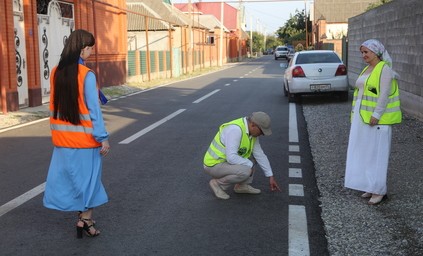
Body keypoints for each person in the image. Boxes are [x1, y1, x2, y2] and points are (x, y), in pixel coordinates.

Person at [43, 29, 110, 238]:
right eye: (90, 48)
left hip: (63, 140)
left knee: (72, 180)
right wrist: (103, 138)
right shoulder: (86, 75)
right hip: (85, 141)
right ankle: (86, 220)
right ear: (83, 49)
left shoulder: (56, 71)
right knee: (89, 182)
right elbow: (93, 111)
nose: (91, 52)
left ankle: (82, 218)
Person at [344, 39, 402, 205]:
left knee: (378, 155)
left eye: (366, 52)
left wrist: (376, 114)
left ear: (376, 52)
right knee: (367, 153)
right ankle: (370, 185)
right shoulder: (367, 69)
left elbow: (383, 95)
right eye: (362, 52)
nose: (363, 55)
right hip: (363, 118)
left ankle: (379, 190)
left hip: (378, 121)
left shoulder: (384, 69)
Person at [203, 112, 281, 199]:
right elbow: (231, 158)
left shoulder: (252, 134)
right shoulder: (235, 130)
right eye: (262, 131)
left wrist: (270, 176)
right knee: (246, 170)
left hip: (226, 163)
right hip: (214, 165)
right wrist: (250, 165)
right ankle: (218, 184)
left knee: (253, 158)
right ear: (253, 125)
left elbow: (260, 155)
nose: (262, 134)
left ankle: (242, 186)